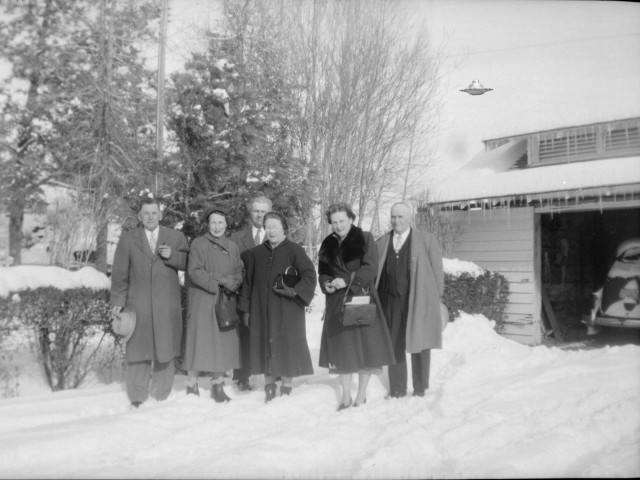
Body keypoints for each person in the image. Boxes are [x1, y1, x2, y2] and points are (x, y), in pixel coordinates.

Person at [111, 197, 189, 408]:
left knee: (165, 348)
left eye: (154, 213)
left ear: (160, 215)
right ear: (140, 216)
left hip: (166, 304)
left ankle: (161, 395)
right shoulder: (128, 239)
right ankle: (137, 397)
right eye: (146, 213)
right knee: (138, 350)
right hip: (138, 304)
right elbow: (119, 272)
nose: (150, 217)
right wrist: (118, 299)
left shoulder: (175, 236)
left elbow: (189, 262)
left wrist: (173, 256)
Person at [318, 203, 396, 411]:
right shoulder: (327, 243)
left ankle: (361, 394)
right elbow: (323, 271)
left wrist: (349, 282)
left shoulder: (365, 238)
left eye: (342, 221)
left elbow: (370, 267)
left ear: (351, 219)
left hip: (360, 297)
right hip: (336, 303)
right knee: (343, 350)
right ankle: (345, 396)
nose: (338, 225)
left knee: (364, 349)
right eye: (334, 222)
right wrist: (326, 283)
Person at [238, 211, 317, 402]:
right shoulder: (256, 254)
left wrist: (293, 291)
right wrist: (246, 309)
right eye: (268, 227)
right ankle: (270, 385)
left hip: (287, 309)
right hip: (261, 309)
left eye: (275, 226)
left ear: (284, 228)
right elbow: (247, 282)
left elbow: (309, 276)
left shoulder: (295, 250)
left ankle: (287, 386)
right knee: (265, 343)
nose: (271, 231)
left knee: (287, 344)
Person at [375, 202, 444, 398]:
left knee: (419, 341)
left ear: (409, 218)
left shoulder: (426, 240)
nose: (396, 221)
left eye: (401, 217)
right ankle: (397, 389)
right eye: (393, 217)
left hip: (418, 300)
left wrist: (435, 299)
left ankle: (420, 388)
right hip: (391, 301)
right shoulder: (382, 242)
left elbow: (438, 273)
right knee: (394, 343)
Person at [182, 208, 243, 402]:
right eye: (213, 223)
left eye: (221, 223)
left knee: (221, 342)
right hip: (203, 299)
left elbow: (238, 269)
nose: (217, 227)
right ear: (208, 224)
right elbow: (194, 271)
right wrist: (219, 280)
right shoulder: (199, 244)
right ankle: (192, 384)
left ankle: (217, 384)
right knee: (199, 340)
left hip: (224, 300)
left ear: (226, 224)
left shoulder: (232, 246)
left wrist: (235, 282)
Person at [229, 195, 272, 391]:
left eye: (264, 211)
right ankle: (242, 377)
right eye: (256, 210)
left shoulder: (276, 235)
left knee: (269, 335)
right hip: (244, 294)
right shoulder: (237, 238)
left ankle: (272, 375)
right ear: (250, 212)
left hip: (269, 296)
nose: (259, 214)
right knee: (244, 337)